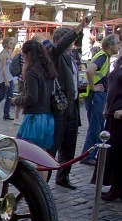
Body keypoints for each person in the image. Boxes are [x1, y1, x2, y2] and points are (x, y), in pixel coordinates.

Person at [46, 16, 93, 189]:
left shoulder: (71, 57)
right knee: (53, 145)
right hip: (59, 108)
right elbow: (58, 47)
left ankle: (63, 177)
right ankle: (43, 180)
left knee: (69, 144)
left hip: (72, 106)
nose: (74, 43)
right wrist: (80, 26)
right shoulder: (53, 53)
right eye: (72, 39)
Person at [12, 40, 57, 177]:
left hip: (35, 118)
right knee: (42, 157)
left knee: (20, 150)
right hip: (48, 117)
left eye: (24, 55)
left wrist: (16, 100)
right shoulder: (47, 69)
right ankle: (42, 190)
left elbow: (32, 98)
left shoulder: (32, 72)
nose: (23, 58)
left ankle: (22, 184)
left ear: (28, 55)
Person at [80, 34, 121, 165]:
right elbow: (90, 71)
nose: (119, 46)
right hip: (96, 96)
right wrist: (93, 87)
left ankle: (89, 154)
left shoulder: (104, 56)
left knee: (96, 125)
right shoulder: (103, 57)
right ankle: (88, 155)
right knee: (96, 126)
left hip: (96, 95)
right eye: (118, 43)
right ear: (111, 45)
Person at [99, 55, 122, 201]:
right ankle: (115, 186)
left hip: (120, 114)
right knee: (113, 153)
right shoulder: (119, 60)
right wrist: (106, 106)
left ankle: (118, 189)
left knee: (119, 154)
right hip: (113, 113)